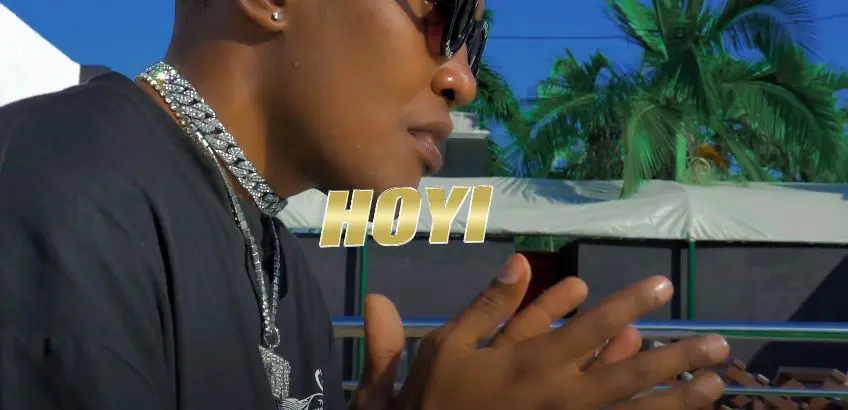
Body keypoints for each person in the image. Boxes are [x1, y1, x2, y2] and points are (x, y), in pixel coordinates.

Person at [0, 0, 730, 409]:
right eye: (442, 18)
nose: (463, 80)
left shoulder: (280, 261)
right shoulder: (59, 192)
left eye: (475, 44)